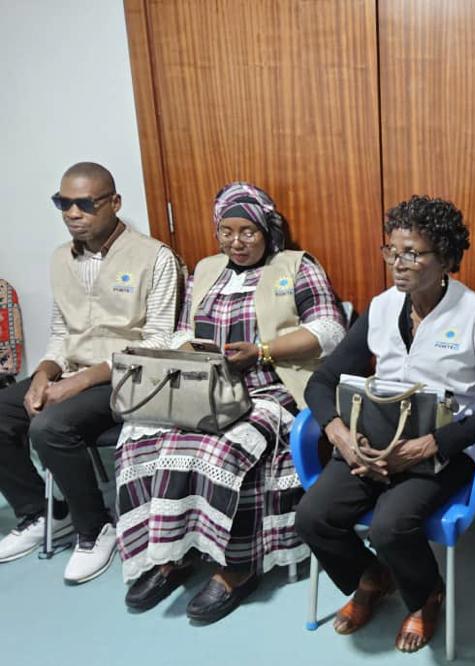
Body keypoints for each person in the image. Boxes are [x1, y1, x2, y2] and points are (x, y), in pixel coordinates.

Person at [115, 182, 345, 623]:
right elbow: (185, 329)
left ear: (266, 230)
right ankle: (172, 551)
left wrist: (261, 351)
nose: (236, 242)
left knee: (225, 447)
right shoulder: (205, 269)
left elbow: (330, 331)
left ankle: (239, 566)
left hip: (272, 386)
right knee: (142, 437)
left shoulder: (295, 266)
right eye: (226, 231)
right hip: (203, 388)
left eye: (247, 232)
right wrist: (181, 349)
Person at [295, 195, 475, 653]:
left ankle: (426, 594)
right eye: (392, 251)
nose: (398, 263)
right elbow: (321, 382)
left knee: (389, 527)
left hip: (442, 448)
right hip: (372, 442)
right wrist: (339, 434)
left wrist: (429, 445)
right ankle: (372, 577)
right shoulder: (381, 308)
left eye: (412, 253)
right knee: (313, 517)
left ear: (446, 259)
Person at [0, 162, 180, 584]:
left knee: (49, 426)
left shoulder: (154, 256)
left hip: (130, 379)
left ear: (114, 203)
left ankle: (96, 527)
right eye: (63, 203)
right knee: (3, 411)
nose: (72, 213)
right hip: (73, 372)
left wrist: (80, 381)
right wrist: (44, 374)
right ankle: (42, 513)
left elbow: (160, 341)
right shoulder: (60, 258)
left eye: (84, 203)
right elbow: (62, 332)